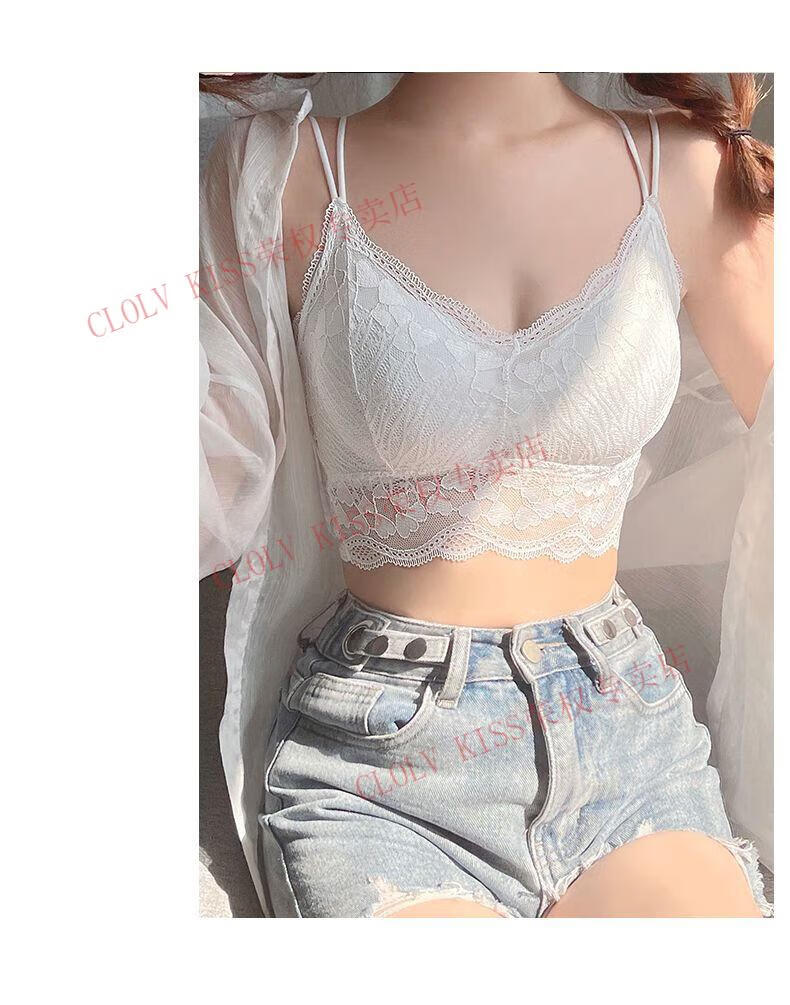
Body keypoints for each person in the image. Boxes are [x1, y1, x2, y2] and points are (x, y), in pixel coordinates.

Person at [199, 72, 774, 917]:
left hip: (625, 729)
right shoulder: (286, 173)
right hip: (380, 765)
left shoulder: (689, 171)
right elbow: (208, 475)